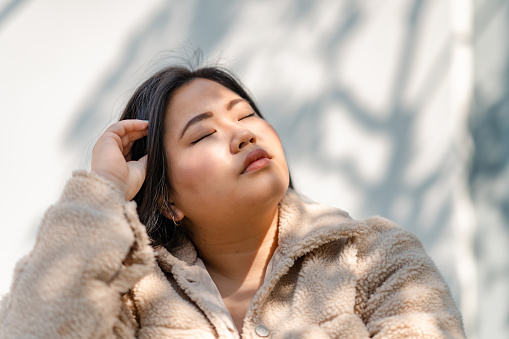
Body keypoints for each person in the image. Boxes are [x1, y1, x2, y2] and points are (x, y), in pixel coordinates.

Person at [0, 65, 466, 338]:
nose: (243, 134)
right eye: (203, 133)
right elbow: (36, 326)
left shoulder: (376, 255)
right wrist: (102, 191)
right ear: (165, 200)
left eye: (246, 115)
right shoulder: (132, 295)